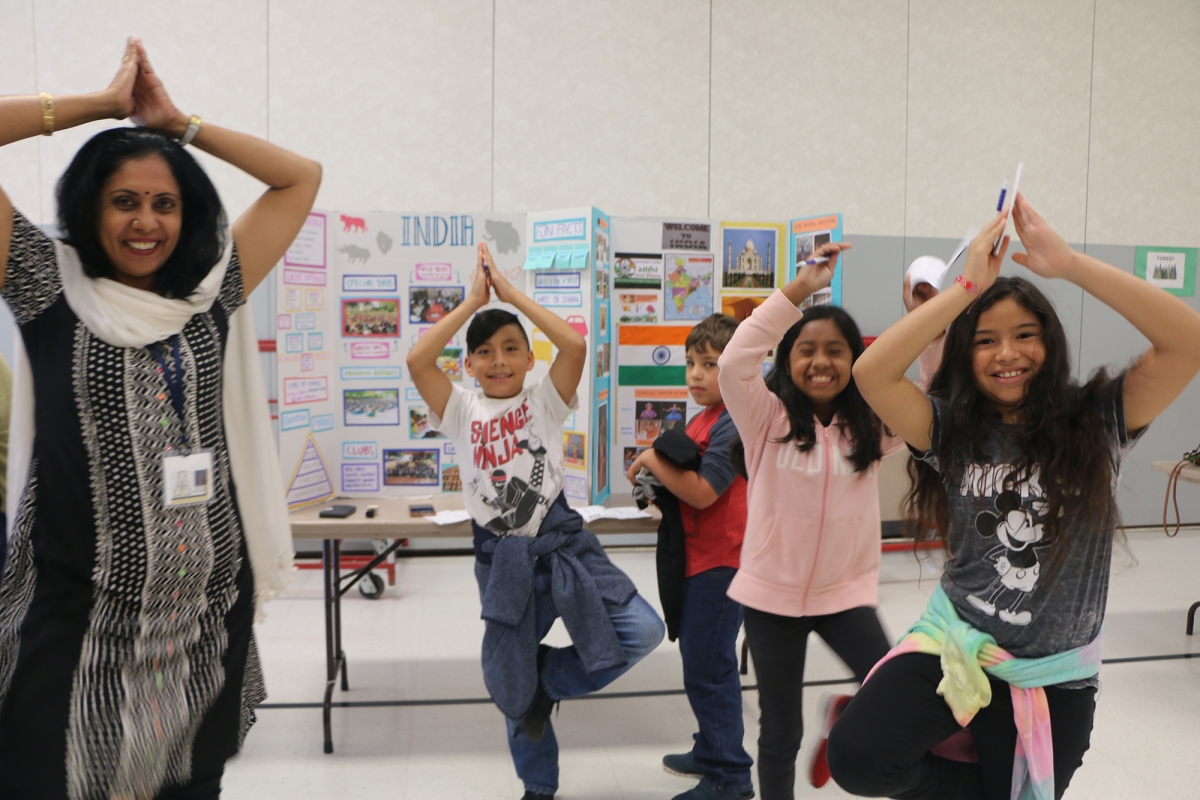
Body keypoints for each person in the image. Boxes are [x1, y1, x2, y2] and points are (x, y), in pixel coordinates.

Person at [0, 38, 319, 798]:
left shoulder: (210, 295)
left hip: (200, 630)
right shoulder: (49, 286)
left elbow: (299, 177)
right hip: (75, 630)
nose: (146, 222)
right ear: (90, 206)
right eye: (125, 200)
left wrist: (180, 124)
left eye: (164, 202)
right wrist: (100, 107)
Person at [830, 196, 1200, 799]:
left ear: (1049, 344)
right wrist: (968, 285)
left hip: (1054, 674)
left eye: (1025, 336)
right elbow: (873, 373)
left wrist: (1072, 265)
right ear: (964, 353)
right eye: (986, 341)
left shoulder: (1097, 420)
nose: (1007, 354)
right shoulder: (949, 428)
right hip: (957, 644)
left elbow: (1188, 342)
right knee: (858, 757)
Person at [406, 242, 664, 800]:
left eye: (511, 348)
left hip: (564, 543)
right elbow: (417, 361)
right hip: (502, 559)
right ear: (469, 364)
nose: (498, 360)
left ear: (528, 359)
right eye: (485, 352)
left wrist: (510, 295)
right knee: (511, 677)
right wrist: (471, 301)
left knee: (644, 631)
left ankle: (547, 682)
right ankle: (538, 788)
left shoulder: (545, 401)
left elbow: (573, 343)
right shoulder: (460, 409)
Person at [715, 242, 942, 800]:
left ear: (855, 361)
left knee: (890, 697)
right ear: (788, 360)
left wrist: (929, 326)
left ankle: (846, 718)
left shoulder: (871, 427)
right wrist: (798, 289)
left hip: (846, 595)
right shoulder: (764, 418)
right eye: (807, 350)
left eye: (836, 351)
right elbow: (734, 362)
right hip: (771, 599)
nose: (821, 362)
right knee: (781, 731)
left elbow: (934, 400)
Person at [625, 314, 753, 800]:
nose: (696, 375)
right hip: (698, 560)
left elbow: (703, 493)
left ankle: (730, 778)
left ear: (738, 368)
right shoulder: (703, 418)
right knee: (699, 664)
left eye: (710, 364)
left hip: (722, 563)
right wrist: (654, 480)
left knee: (711, 671)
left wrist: (652, 458)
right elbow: (682, 486)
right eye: (691, 364)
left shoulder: (735, 422)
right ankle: (710, 749)